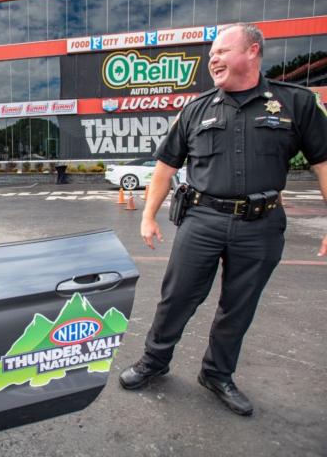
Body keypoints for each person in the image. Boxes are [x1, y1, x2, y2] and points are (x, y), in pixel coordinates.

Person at [119, 23, 327, 416]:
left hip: (262, 226)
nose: (212, 58)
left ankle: (217, 374)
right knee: (177, 298)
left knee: (239, 306)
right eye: (211, 54)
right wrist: (147, 216)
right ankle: (154, 361)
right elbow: (165, 166)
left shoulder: (295, 103)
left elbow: (323, 164)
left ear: (252, 51)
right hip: (202, 220)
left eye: (221, 51)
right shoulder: (196, 109)